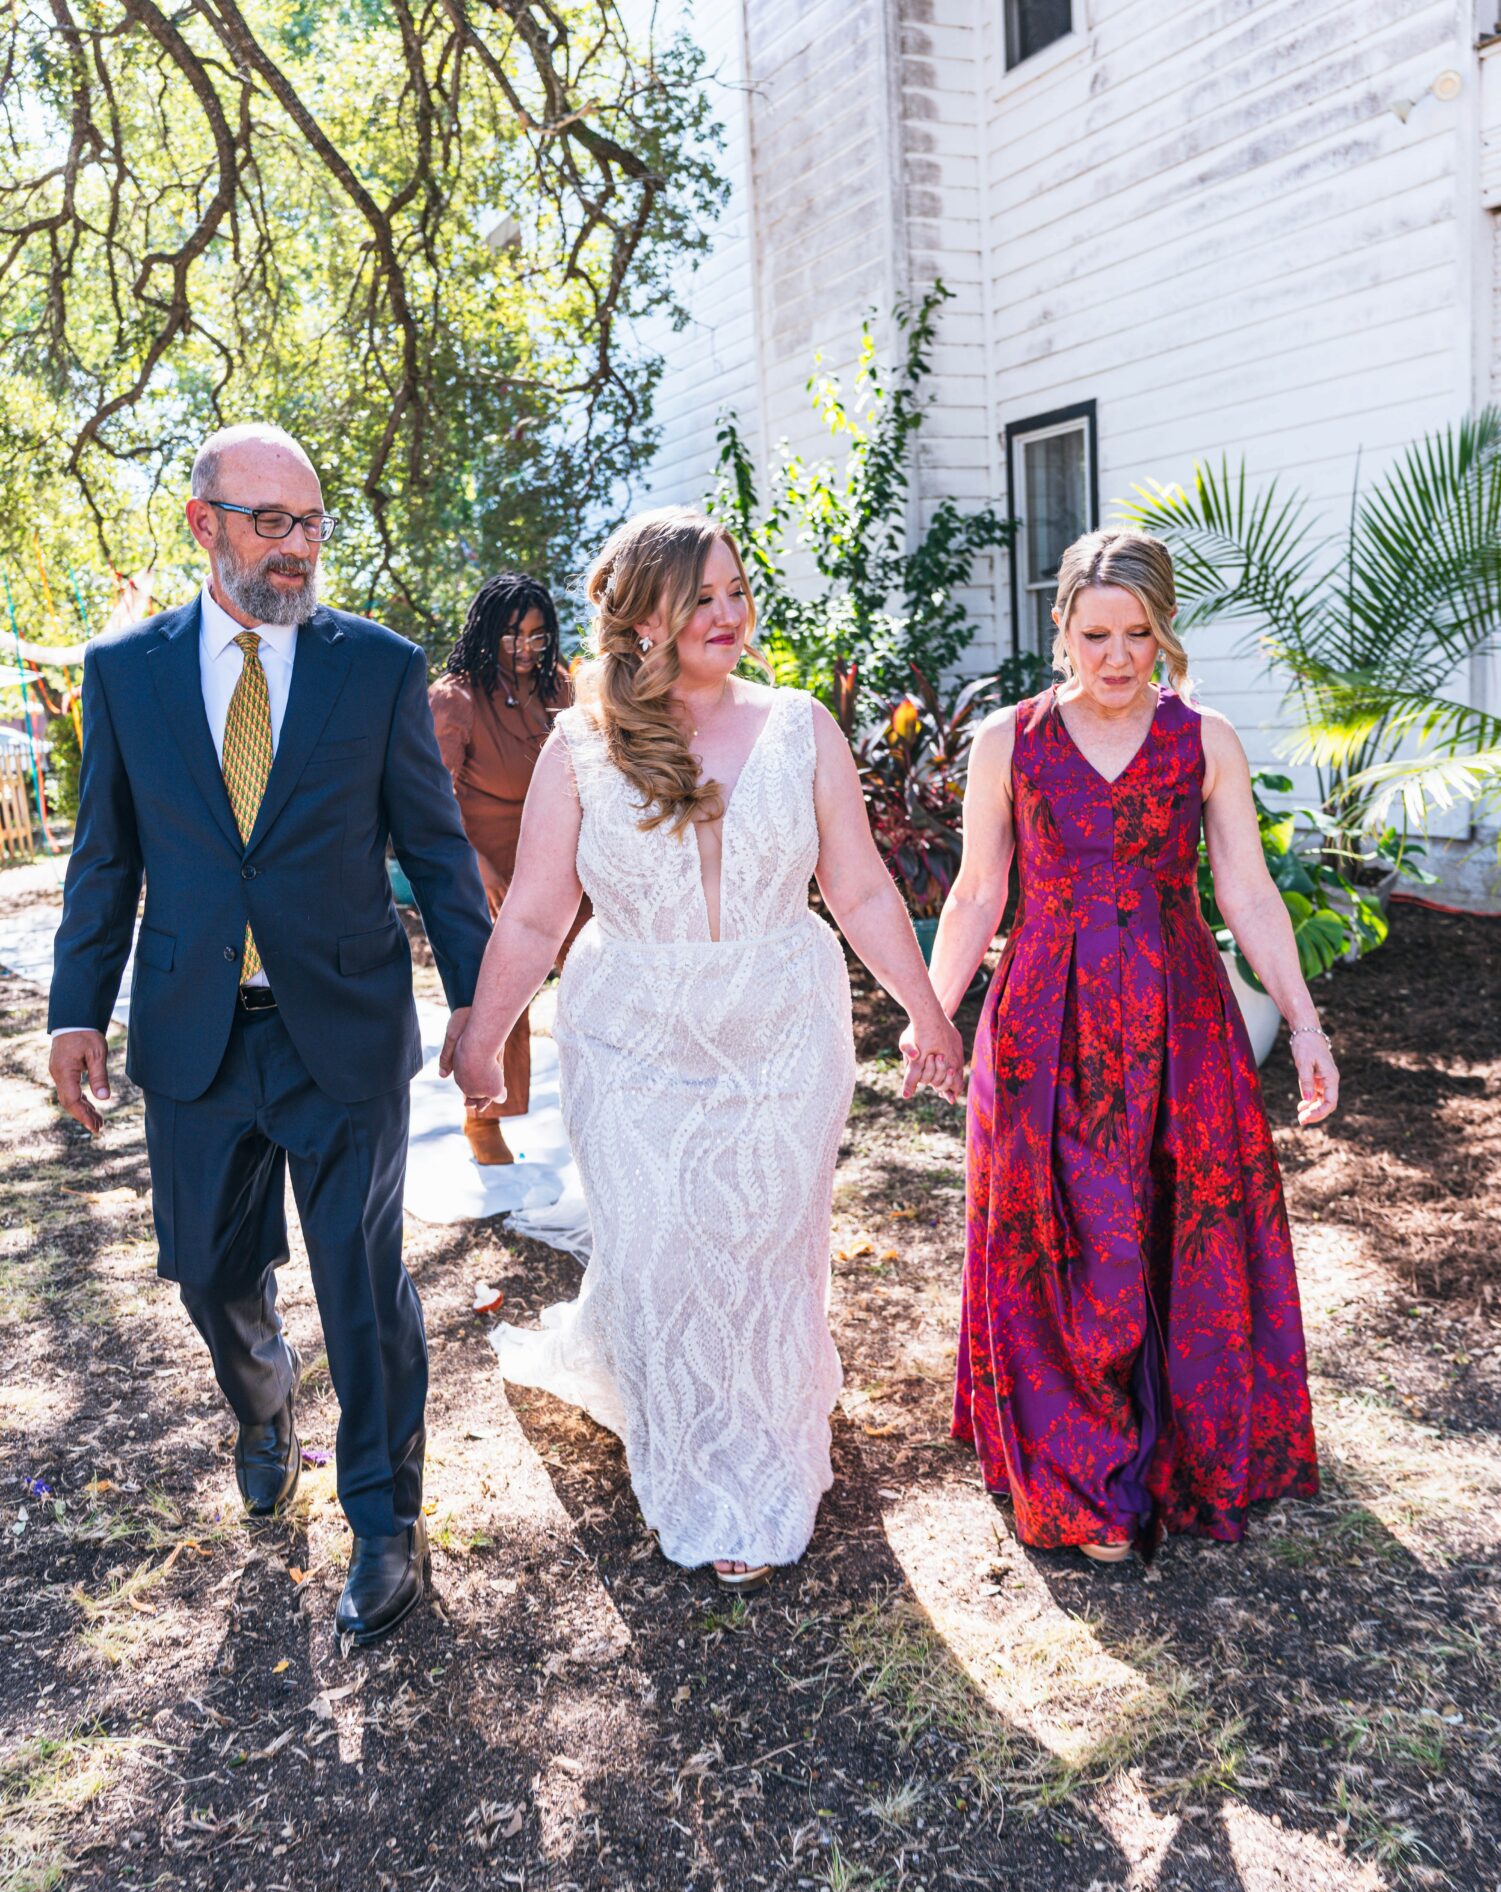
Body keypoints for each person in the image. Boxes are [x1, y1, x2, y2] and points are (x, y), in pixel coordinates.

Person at [453, 507, 964, 1589]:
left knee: (769, 1246)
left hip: (783, 1029)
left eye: (737, 590)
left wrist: (926, 1011)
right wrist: (485, 1037)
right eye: (702, 598)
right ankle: (694, 1460)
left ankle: (767, 1439)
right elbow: (537, 914)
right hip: (631, 1036)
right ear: (643, 617)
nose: (728, 614)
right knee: (660, 1244)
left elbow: (859, 888)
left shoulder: (799, 727)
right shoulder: (580, 745)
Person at [47, 422, 492, 1644]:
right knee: (207, 1270)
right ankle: (262, 1399)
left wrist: (479, 1005)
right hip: (194, 1031)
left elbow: (436, 849)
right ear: (204, 523)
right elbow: (105, 858)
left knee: (360, 1279)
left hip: (340, 1029)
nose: (298, 547)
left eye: (312, 524)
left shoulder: (377, 667)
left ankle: (384, 1518)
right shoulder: (125, 671)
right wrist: (77, 1006)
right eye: (271, 523)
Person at [927, 529, 1331, 1564]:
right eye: (1095, 633)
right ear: (1059, 626)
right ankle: (1082, 1473)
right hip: (1044, 1018)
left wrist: (1305, 1022)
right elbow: (975, 893)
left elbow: (1246, 891)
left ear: (1164, 631)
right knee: (1058, 1232)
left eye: (1138, 634)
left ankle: (1172, 1452)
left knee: (1173, 1221)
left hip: (1179, 1015)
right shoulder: (1008, 740)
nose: (1116, 656)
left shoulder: (1204, 739)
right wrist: (931, 1015)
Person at [429, 573, 585, 1164]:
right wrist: (480, 871)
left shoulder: (560, 688)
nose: (527, 649)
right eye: (513, 636)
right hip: (486, 865)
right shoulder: (456, 699)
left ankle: (608, 1095)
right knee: (503, 989)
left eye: (539, 636)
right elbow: (430, 801)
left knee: (598, 973)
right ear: (487, 632)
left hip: (563, 859)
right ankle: (485, 1117)